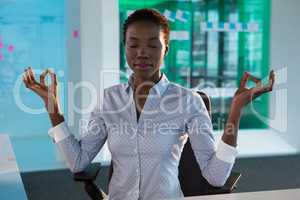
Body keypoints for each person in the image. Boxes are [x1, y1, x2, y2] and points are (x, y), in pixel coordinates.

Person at [22, 8, 275, 200]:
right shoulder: (109, 99)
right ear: (125, 48)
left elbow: (216, 176)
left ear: (166, 50)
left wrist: (236, 111)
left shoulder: (188, 102)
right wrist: (52, 106)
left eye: (153, 45)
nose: (142, 52)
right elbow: (78, 161)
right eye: (133, 45)